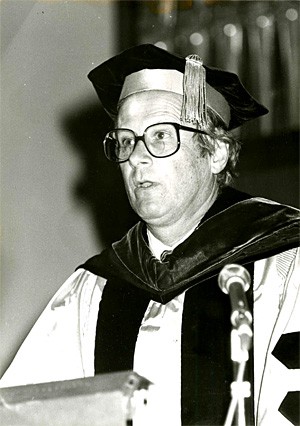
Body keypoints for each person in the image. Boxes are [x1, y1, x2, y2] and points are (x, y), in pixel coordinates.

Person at [1, 44, 299, 425]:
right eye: (126, 140)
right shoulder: (91, 290)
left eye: (160, 136)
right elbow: (22, 415)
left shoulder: (287, 262)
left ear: (217, 152)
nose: (137, 158)